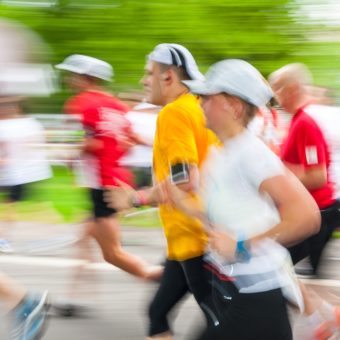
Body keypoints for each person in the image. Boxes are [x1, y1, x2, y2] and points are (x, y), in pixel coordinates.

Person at [163, 59, 322, 340]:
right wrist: (180, 201)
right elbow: (223, 220)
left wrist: (241, 245)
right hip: (230, 288)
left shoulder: (252, 154)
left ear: (234, 106)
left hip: (258, 298)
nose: (199, 104)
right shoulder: (220, 152)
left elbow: (307, 216)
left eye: (207, 97)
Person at [107, 43, 220, 340]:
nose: (144, 81)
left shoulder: (175, 113)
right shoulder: (198, 106)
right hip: (191, 236)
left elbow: (183, 180)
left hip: (196, 237)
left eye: (149, 73)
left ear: (168, 77)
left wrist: (135, 198)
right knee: (158, 312)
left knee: (220, 323)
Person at [55, 54, 162, 300]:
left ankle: (159, 276)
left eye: (73, 75)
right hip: (118, 179)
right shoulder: (117, 106)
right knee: (83, 239)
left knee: (112, 253)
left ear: (85, 78)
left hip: (101, 184)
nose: (70, 79)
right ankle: (76, 296)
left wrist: (69, 157)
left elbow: (85, 142)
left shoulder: (78, 104)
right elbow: (131, 141)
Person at [268, 63, 340, 277]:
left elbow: (317, 176)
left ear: (293, 89)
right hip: (313, 211)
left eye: (278, 89)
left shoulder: (305, 123)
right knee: (305, 276)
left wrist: (279, 178)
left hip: (317, 213)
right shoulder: (298, 120)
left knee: (273, 268)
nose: (275, 97)